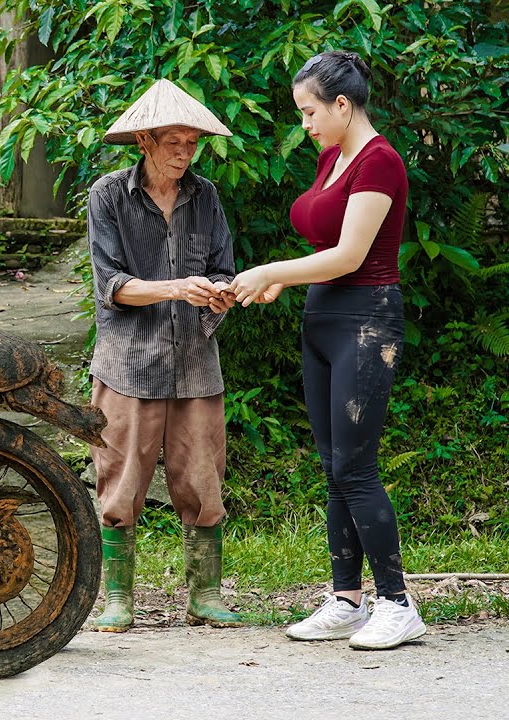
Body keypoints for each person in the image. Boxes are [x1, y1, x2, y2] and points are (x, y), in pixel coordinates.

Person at [227, 51, 427, 650]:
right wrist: (285, 280)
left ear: (343, 104)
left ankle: (397, 603)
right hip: (323, 319)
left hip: (367, 323)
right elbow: (325, 239)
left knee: (356, 468)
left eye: (310, 111)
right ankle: (346, 600)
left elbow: (350, 256)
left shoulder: (380, 162)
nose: (305, 124)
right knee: (333, 468)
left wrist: (269, 268)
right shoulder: (331, 158)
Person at [86, 79, 241, 632]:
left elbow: (223, 269)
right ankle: (118, 598)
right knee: (120, 478)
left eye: (191, 142)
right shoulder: (108, 195)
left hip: (196, 361)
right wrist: (177, 286)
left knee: (203, 476)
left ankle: (205, 595)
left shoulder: (207, 197)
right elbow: (112, 286)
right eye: (172, 141)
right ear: (144, 141)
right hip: (129, 363)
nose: (184, 152)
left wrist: (220, 292)